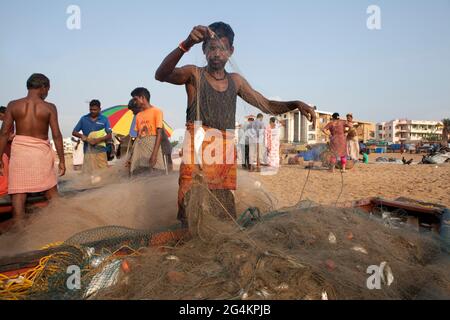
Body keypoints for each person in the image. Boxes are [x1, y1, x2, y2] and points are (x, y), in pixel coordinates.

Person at [155, 22, 316, 227]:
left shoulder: (236, 81)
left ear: (231, 51)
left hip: (223, 148)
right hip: (197, 146)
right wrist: (185, 44)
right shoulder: (194, 74)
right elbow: (161, 75)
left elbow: (265, 105)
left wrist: (295, 104)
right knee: (191, 200)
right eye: (211, 48)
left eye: (222, 49)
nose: (216, 54)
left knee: (223, 205)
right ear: (204, 50)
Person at [0, 73, 65, 226]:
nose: (47, 93)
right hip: (40, 153)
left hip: (20, 153)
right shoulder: (49, 107)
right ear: (43, 87)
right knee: (51, 190)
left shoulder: (13, 105)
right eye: (48, 89)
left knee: (18, 193)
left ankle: (19, 232)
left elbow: (4, 133)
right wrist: (62, 160)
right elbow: (56, 135)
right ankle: (61, 224)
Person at [128, 88, 165, 176]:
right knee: (139, 173)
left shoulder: (157, 111)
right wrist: (131, 156)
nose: (135, 102)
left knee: (156, 173)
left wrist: (154, 154)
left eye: (135, 99)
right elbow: (138, 137)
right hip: (140, 148)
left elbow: (159, 134)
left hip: (153, 147)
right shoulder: (138, 115)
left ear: (142, 98)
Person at [72, 100, 112, 175]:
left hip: (101, 150)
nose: (92, 111)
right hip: (88, 151)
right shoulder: (83, 118)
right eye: (91, 109)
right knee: (88, 174)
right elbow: (74, 132)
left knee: (103, 173)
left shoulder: (104, 119)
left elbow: (109, 135)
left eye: (95, 110)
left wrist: (97, 140)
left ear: (100, 109)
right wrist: (82, 136)